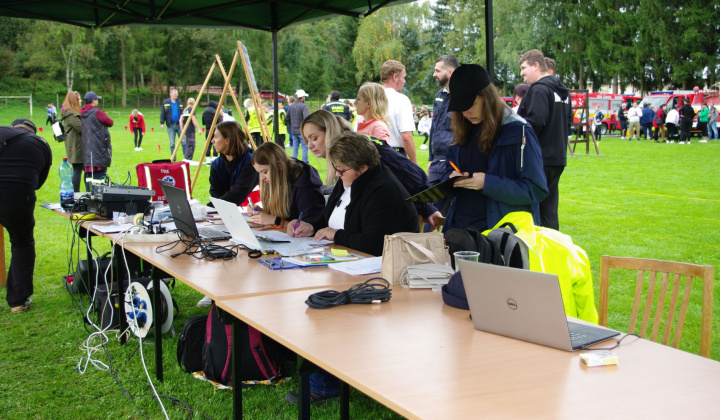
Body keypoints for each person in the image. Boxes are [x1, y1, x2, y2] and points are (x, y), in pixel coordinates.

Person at [440, 64, 547, 231]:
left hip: (498, 236)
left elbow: (535, 189)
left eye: (470, 104)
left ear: (487, 97)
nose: (465, 112)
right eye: (460, 107)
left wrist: (487, 183)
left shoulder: (518, 131)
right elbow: (448, 169)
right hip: (459, 231)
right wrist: (451, 177)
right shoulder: (463, 128)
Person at [301, 110, 442, 227]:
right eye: (306, 140)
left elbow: (414, 175)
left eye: (314, 138)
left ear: (329, 132)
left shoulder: (365, 151)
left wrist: (426, 207)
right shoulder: (344, 158)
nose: (310, 145)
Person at [289, 130, 418, 255]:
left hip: (379, 266)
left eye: (342, 170)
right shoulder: (349, 179)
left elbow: (373, 244)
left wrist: (336, 235)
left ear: (363, 168)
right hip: (346, 258)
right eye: (336, 168)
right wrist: (311, 227)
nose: (337, 174)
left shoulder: (383, 190)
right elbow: (329, 216)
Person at [0, 118, 52, 313]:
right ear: (33, 132)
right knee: (22, 242)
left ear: (12, 128)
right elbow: (38, 182)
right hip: (18, 196)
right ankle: (18, 301)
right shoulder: (41, 144)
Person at [516, 49, 569, 231]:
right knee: (550, 211)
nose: (521, 73)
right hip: (557, 157)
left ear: (536, 65)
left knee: (533, 210)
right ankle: (553, 248)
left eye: (524, 68)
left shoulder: (539, 90)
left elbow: (535, 122)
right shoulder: (561, 91)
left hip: (540, 158)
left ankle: (538, 250)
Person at [248, 142, 324, 228]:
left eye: (264, 172)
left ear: (280, 166)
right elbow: (280, 215)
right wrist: (262, 214)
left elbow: (309, 228)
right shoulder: (277, 180)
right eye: (259, 173)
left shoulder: (305, 186)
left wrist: (276, 221)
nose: (262, 178)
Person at [427, 55, 459, 222]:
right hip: (437, 163)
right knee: (430, 212)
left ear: (450, 72)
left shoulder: (462, 96)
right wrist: (431, 158)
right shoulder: (440, 95)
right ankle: (427, 245)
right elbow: (434, 127)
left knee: (454, 213)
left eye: (438, 70)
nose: (434, 74)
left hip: (452, 164)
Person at [208, 121, 259, 206]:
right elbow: (215, 192)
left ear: (227, 140)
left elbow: (239, 193)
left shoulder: (251, 162)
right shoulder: (216, 164)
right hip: (226, 211)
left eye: (216, 137)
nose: (212, 141)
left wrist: (213, 206)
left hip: (252, 213)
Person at [381, 60, 417, 163]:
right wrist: (414, 164)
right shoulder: (401, 100)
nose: (404, 81)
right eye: (403, 77)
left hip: (371, 156)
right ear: (395, 77)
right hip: (394, 156)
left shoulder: (368, 98)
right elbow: (406, 136)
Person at [80, 91, 113, 190]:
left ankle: (89, 193)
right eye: (96, 99)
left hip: (86, 147)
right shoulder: (97, 112)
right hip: (98, 147)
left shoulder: (81, 112)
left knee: (88, 174)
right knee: (99, 174)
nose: (97, 101)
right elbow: (110, 122)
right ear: (93, 101)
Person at [61, 91, 84, 191]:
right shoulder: (71, 115)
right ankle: (75, 193)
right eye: (79, 99)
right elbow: (81, 128)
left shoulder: (70, 113)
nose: (81, 101)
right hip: (76, 147)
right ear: (74, 101)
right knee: (77, 170)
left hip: (76, 145)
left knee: (79, 170)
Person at [286, 89, 310, 163]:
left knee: (295, 147)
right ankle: (305, 161)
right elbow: (307, 118)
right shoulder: (303, 106)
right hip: (302, 130)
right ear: (302, 97)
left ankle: (293, 161)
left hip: (294, 130)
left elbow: (287, 118)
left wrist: (292, 124)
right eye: (304, 97)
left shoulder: (291, 106)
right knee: (304, 147)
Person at [160, 88, 184, 159]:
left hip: (180, 125)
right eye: (175, 94)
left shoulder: (180, 102)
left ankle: (187, 157)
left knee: (183, 141)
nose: (176, 95)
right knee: (172, 143)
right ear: (170, 94)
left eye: (177, 94)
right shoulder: (165, 102)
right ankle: (173, 158)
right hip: (170, 125)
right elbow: (162, 113)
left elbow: (183, 112)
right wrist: (162, 123)